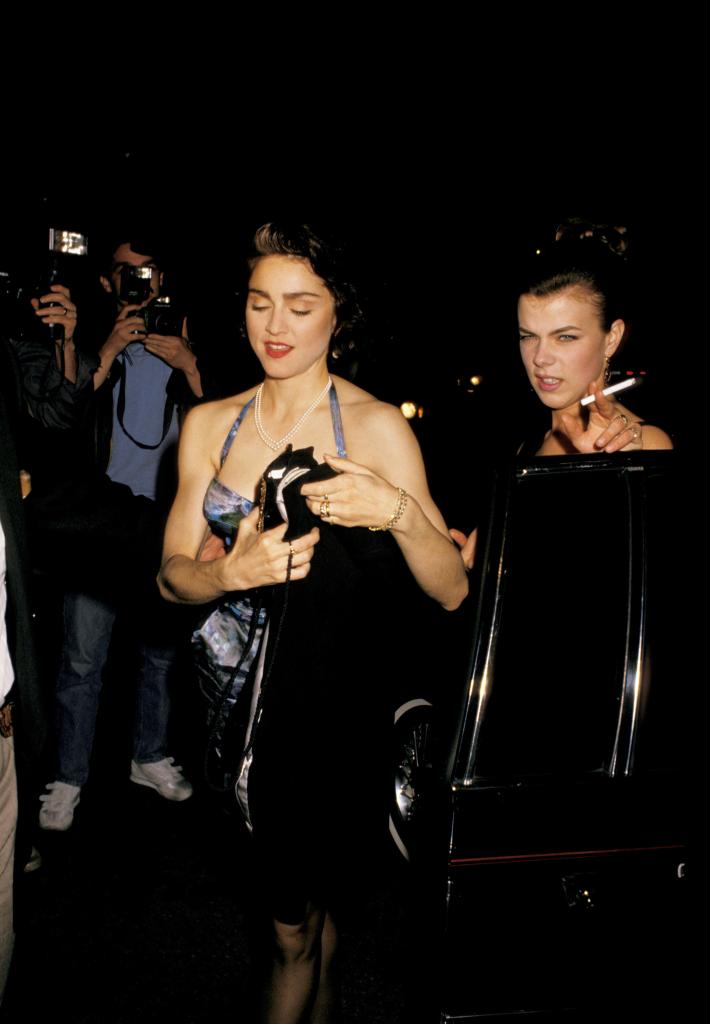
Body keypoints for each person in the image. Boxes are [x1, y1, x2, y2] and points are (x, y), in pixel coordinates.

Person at [158, 222, 467, 1023]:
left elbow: (451, 589)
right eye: (261, 304)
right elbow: (171, 577)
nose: (276, 326)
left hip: (331, 724)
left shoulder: (371, 428)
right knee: (302, 921)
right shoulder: (209, 424)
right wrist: (232, 571)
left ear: (339, 316)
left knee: (296, 928)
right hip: (229, 720)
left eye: (301, 306)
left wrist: (393, 509)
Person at [37, 234, 200, 832]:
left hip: (165, 524)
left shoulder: (189, 338)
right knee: (83, 660)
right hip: (99, 527)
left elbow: (230, 425)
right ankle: (68, 776)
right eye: (128, 274)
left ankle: (149, 755)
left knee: (158, 656)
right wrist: (105, 350)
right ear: (107, 284)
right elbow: (58, 422)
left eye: (150, 272)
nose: (141, 283)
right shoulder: (81, 343)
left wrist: (189, 363)